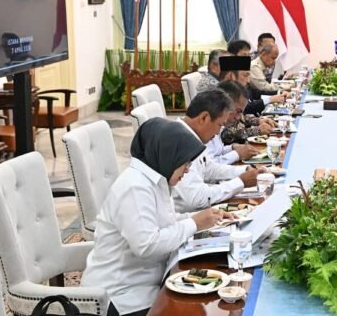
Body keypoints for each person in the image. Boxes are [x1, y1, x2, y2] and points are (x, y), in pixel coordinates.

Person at [81, 118, 232, 316]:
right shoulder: (134, 187)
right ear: (168, 155)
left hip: (145, 284)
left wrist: (205, 217)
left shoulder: (156, 179)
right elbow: (147, 245)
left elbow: (166, 221)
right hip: (122, 296)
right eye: (185, 162)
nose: (188, 169)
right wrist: (194, 224)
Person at [172, 89, 264, 212]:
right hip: (188, 214)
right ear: (204, 118)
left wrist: (245, 170)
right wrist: (240, 182)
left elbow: (210, 169)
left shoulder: (190, 135)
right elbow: (197, 199)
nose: (217, 133)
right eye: (219, 125)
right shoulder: (179, 141)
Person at [205, 81, 259, 164]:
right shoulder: (207, 124)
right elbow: (209, 166)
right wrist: (237, 154)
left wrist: (232, 148)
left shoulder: (219, 123)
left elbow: (217, 152)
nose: (238, 117)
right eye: (237, 111)